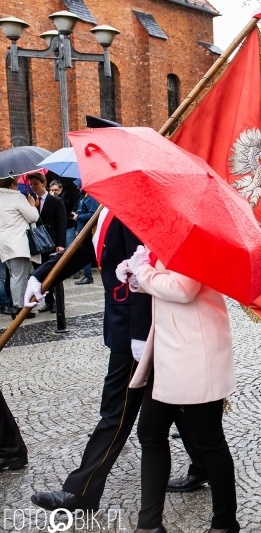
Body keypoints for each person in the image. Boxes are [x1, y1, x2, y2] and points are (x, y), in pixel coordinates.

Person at [28, 217, 207, 510]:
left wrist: (138, 332)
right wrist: (43, 275)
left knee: (117, 411)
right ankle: (206, 462)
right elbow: (87, 246)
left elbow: (140, 262)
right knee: (171, 400)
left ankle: (81, 492)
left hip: (136, 326)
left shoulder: (134, 200)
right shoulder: (109, 202)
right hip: (128, 322)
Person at [116, 246, 239, 533]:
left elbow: (183, 288)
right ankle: (149, 525)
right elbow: (164, 283)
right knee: (150, 431)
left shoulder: (193, 244)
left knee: (209, 440)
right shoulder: (169, 239)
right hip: (170, 355)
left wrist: (143, 270)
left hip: (196, 354)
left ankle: (224, 523)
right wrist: (136, 275)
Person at [0, 174, 40, 319]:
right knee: (19, 276)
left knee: (14, 275)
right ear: (12, 184)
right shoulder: (17, 197)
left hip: (4, 243)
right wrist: (31, 205)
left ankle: (20, 305)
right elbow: (33, 217)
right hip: (18, 242)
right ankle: (18, 307)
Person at [28, 171, 67, 313]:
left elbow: (61, 224)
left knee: (54, 273)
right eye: (31, 184)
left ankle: (59, 302)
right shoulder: (31, 201)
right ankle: (49, 301)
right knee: (42, 273)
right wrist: (32, 207)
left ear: (43, 183)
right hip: (38, 244)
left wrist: (60, 244)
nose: (33, 187)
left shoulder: (56, 201)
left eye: (36, 184)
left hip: (52, 242)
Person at [73, 190, 100, 285]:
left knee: (86, 252)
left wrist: (78, 216)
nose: (78, 187)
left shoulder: (90, 197)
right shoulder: (84, 196)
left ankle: (88, 276)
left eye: (79, 186)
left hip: (87, 231)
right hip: (82, 229)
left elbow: (93, 214)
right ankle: (87, 275)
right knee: (84, 252)